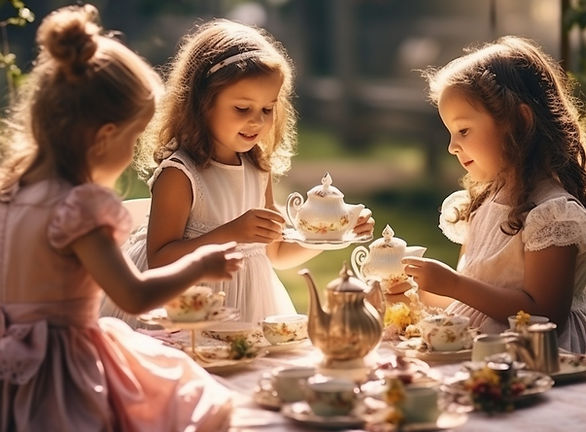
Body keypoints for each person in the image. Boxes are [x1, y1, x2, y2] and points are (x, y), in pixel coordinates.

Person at [0, 4, 243, 431]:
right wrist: (200, 265)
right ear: (105, 136)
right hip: (65, 373)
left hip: (12, 368)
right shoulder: (77, 209)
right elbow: (134, 296)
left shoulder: (10, 195)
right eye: (133, 139)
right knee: (182, 394)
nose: (132, 154)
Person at [102, 18, 374, 325]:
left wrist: (334, 234)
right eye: (242, 109)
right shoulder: (180, 173)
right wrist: (230, 233)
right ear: (203, 104)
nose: (257, 121)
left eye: (267, 109)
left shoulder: (258, 168)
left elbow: (277, 253)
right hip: (189, 309)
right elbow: (160, 260)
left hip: (250, 304)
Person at [402, 36, 586, 354]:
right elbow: (471, 298)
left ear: (520, 121)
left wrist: (454, 284)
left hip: (533, 356)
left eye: (464, 130)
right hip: (480, 350)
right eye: (450, 133)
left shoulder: (552, 213)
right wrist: (415, 290)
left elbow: (544, 312)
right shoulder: (485, 202)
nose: (452, 146)